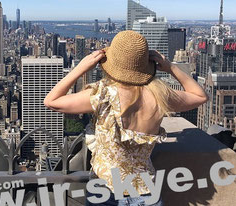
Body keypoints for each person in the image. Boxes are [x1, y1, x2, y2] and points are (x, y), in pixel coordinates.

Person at [43, 31, 208, 206]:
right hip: (146, 192)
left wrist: (81, 67)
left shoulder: (103, 94)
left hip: (105, 190)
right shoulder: (160, 95)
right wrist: (170, 66)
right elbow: (199, 96)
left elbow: (51, 101)